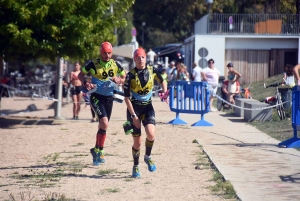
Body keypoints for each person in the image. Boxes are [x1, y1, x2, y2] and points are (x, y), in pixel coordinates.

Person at [79, 41, 126, 166]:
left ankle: (96, 150)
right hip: (96, 97)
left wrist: (119, 80)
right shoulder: (93, 64)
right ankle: (99, 151)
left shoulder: (116, 64)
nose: (107, 55)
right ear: (101, 52)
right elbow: (81, 74)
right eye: (105, 53)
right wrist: (86, 83)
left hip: (109, 98)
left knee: (103, 126)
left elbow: (124, 77)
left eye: (109, 53)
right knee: (104, 122)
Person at [123, 47, 167, 178]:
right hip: (134, 109)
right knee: (137, 142)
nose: (140, 60)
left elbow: (163, 80)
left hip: (148, 107)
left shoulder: (152, 70)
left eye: (142, 57)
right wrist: (133, 116)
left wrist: (164, 91)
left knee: (151, 134)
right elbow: (126, 98)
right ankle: (135, 166)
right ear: (134, 59)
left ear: (146, 58)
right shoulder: (130, 75)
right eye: (138, 57)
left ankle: (147, 157)